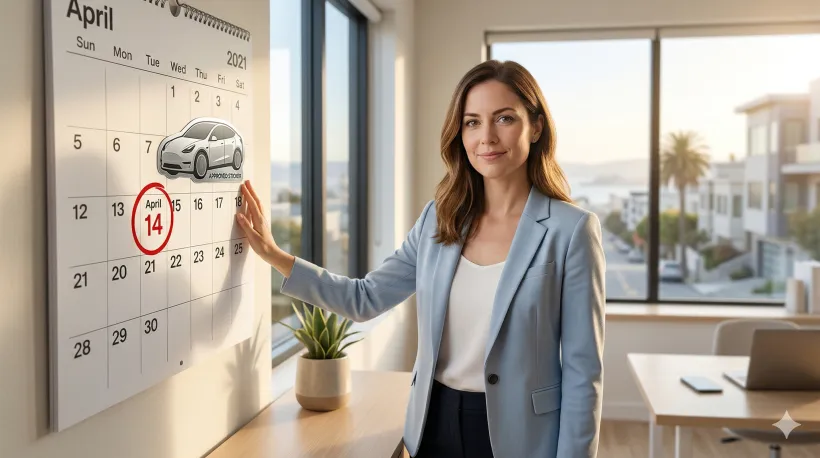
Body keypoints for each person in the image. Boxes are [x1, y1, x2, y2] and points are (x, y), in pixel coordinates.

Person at [236, 59, 605, 458]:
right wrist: (275, 256)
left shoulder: (571, 231)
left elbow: (583, 373)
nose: (487, 137)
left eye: (504, 119)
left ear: (535, 126)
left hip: (522, 436)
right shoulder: (438, 219)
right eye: (472, 122)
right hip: (434, 425)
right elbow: (364, 299)